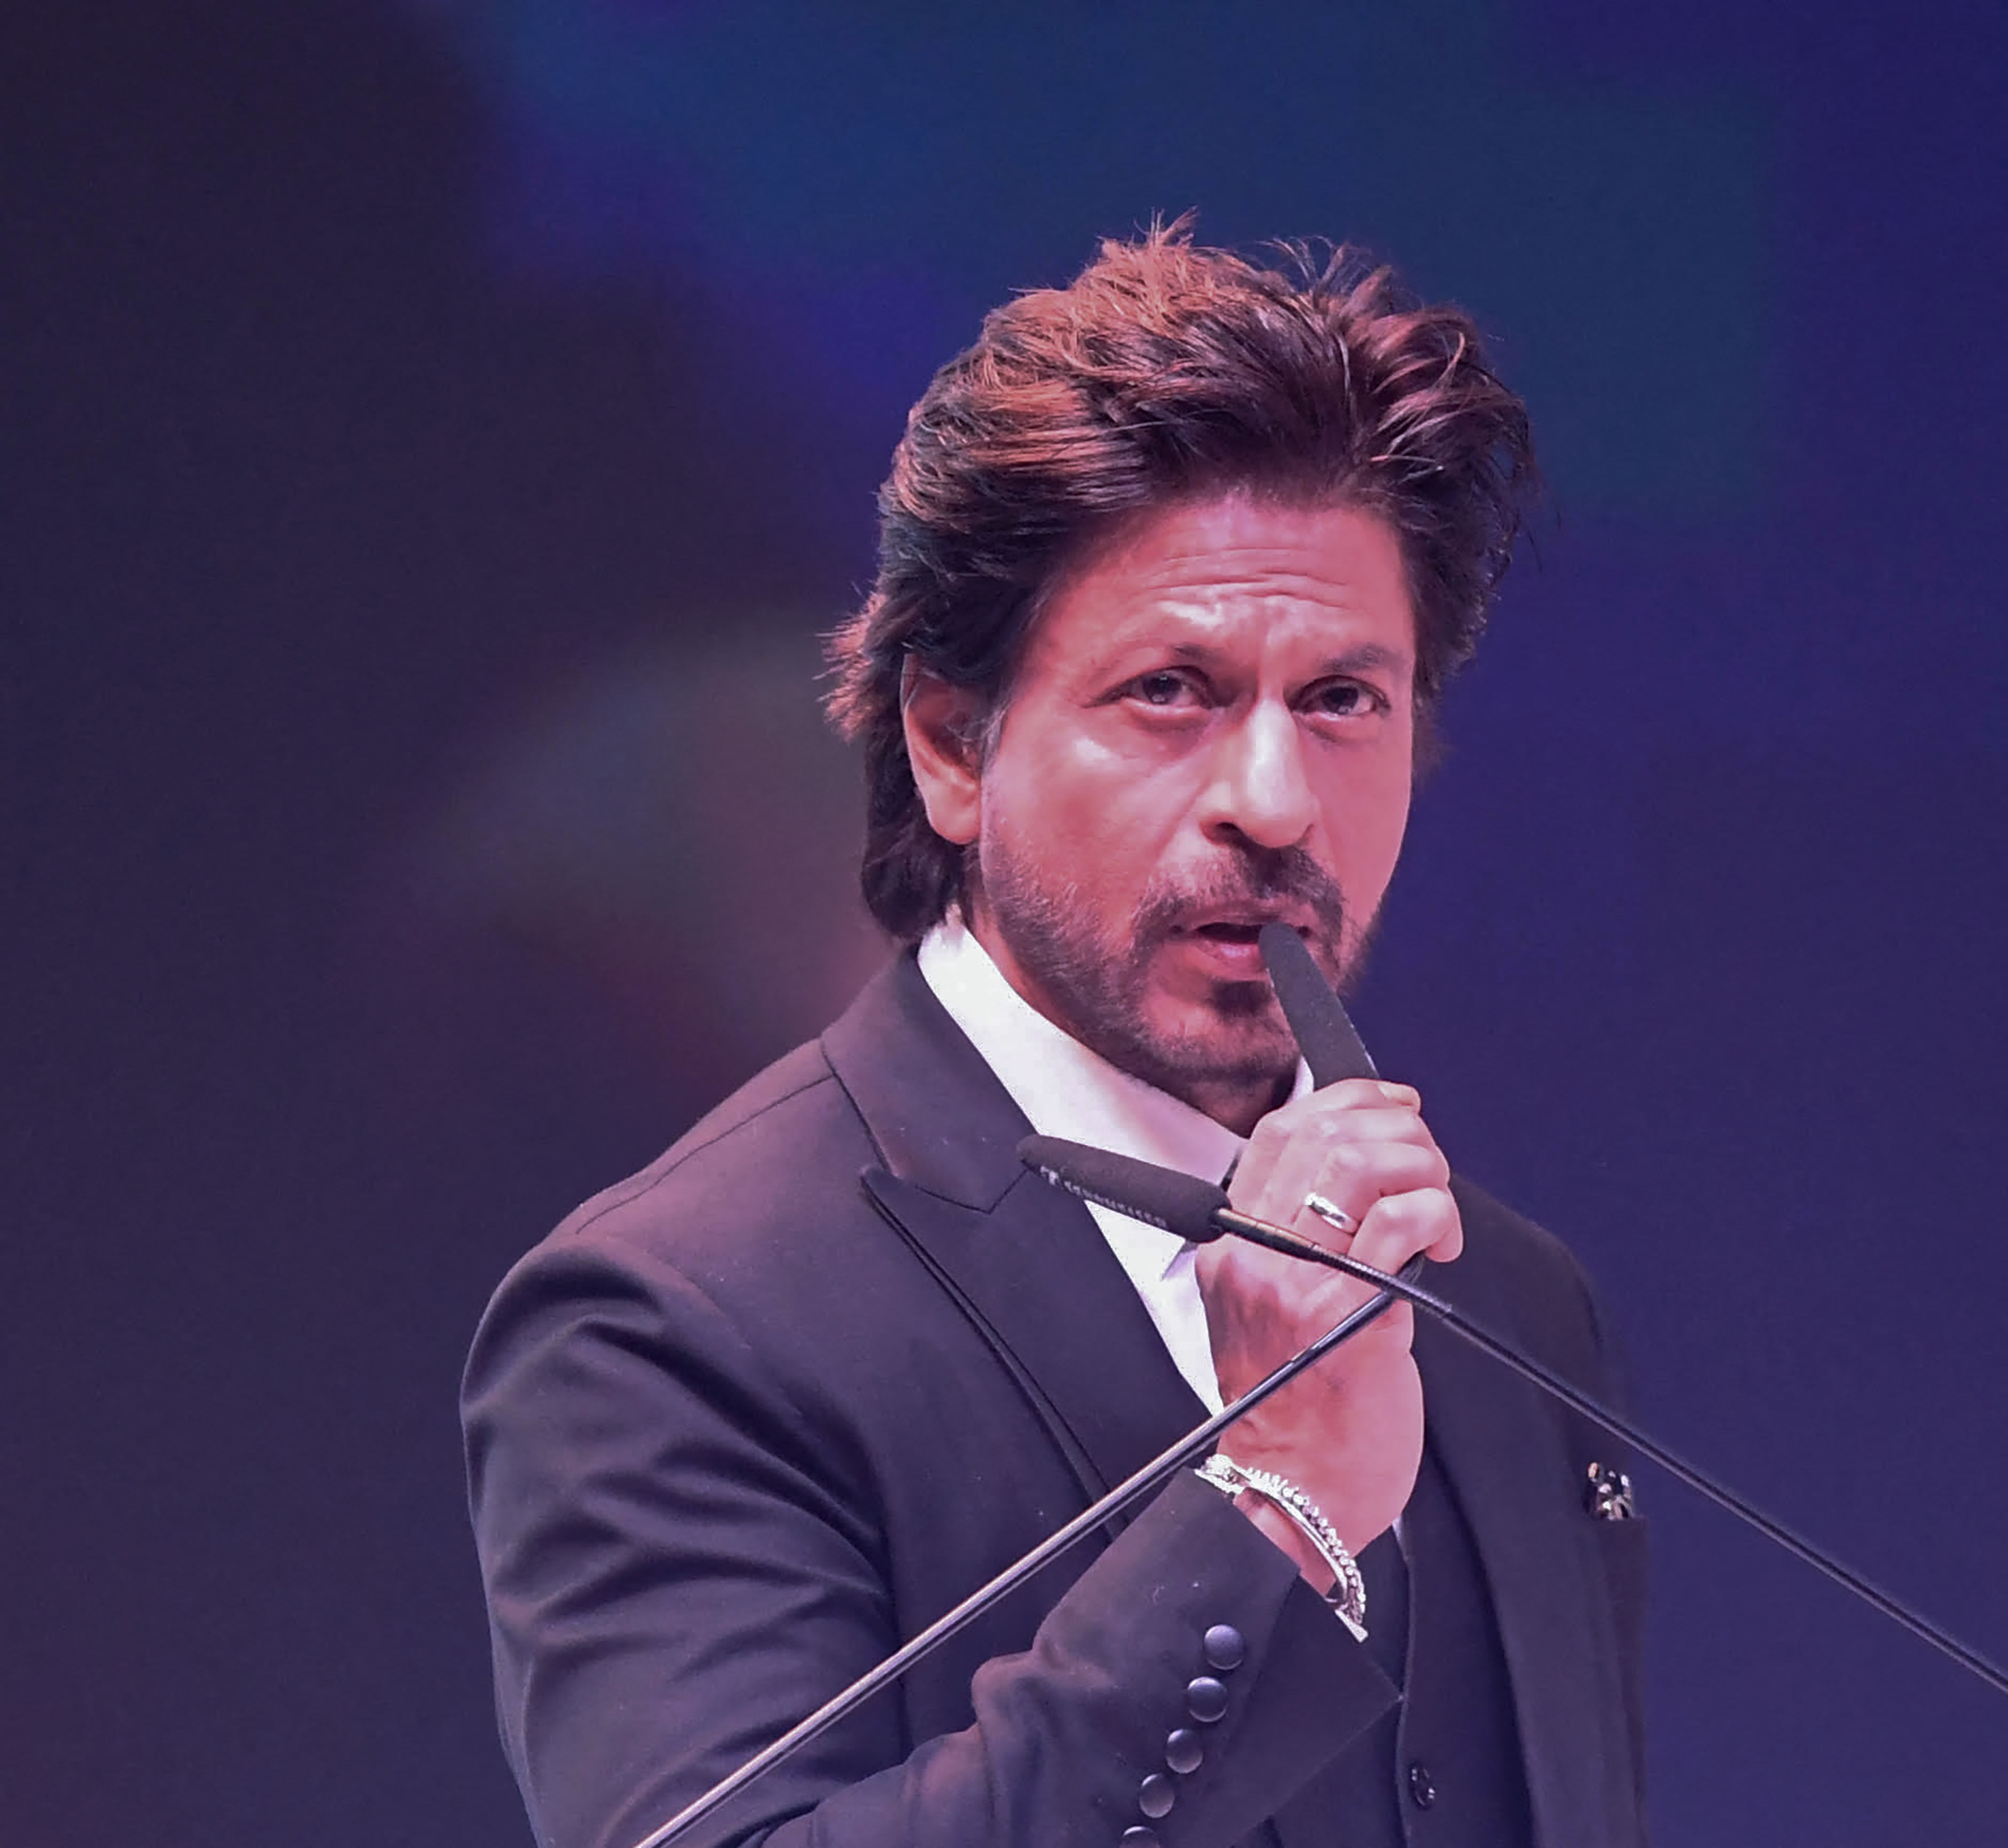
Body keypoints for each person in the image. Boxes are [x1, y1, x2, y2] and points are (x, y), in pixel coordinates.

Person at [462, 225, 1650, 1848]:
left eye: (1343, 700)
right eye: (1171, 690)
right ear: (955, 746)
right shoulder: (675, 1320)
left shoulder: (1511, 1300)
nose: (1274, 800)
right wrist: (1273, 1503)